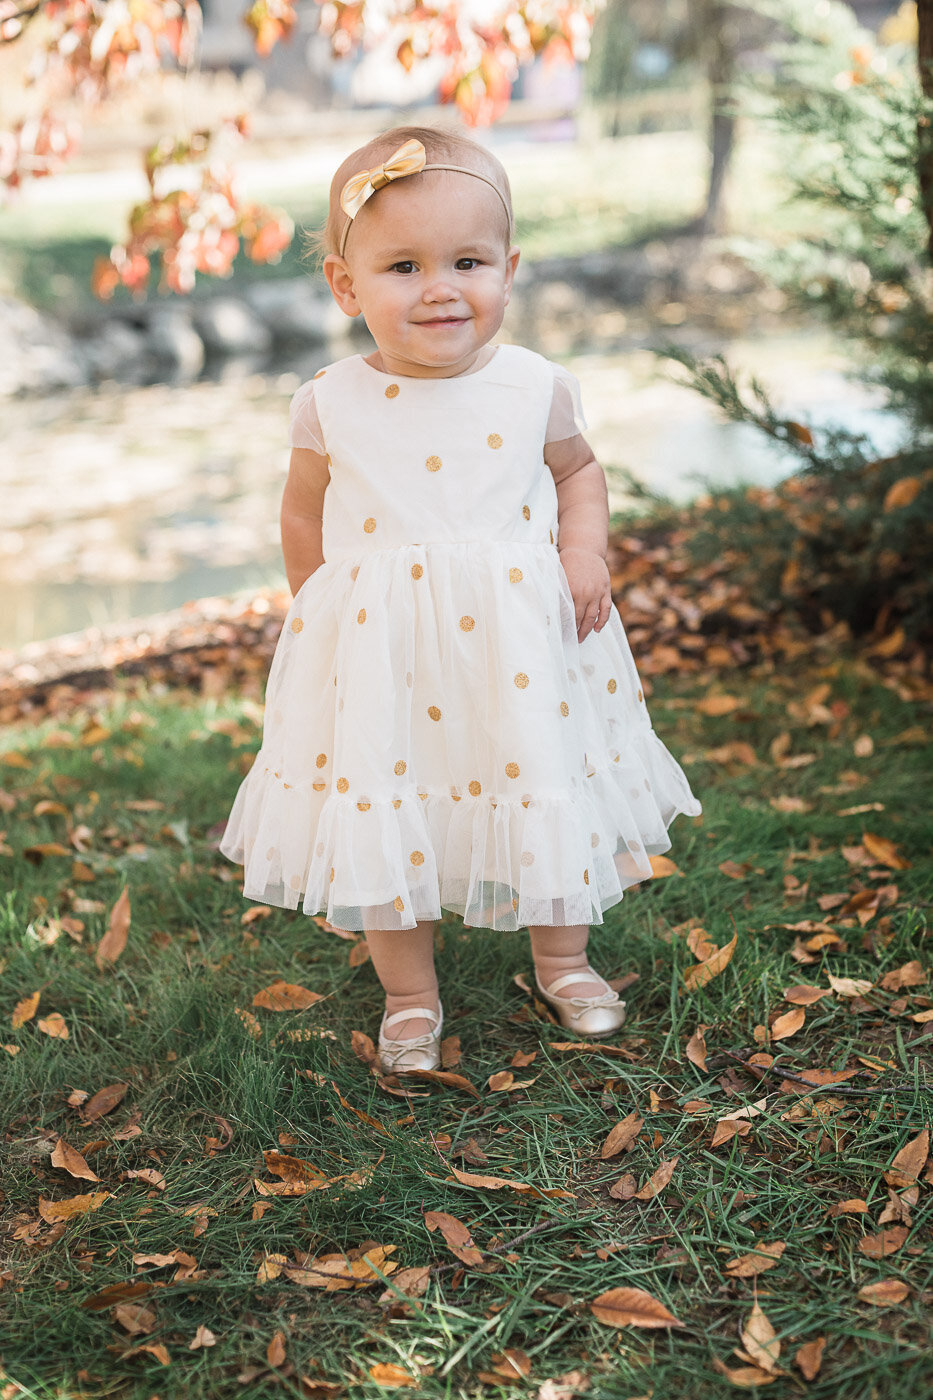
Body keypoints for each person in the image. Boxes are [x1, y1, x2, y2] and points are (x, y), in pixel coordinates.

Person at [221, 126, 701, 1074]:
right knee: (386, 793)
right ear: (345, 286)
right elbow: (301, 509)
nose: (441, 287)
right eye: (403, 265)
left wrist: (583, 550)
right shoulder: (329, 400)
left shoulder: (533, 387)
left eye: (467, 261)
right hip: (384, 648)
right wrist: (316, 604)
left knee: (538, 770)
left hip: (521, 641)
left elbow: (579, 474)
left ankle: (564, 960)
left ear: (508, 270)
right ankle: (409, 993)